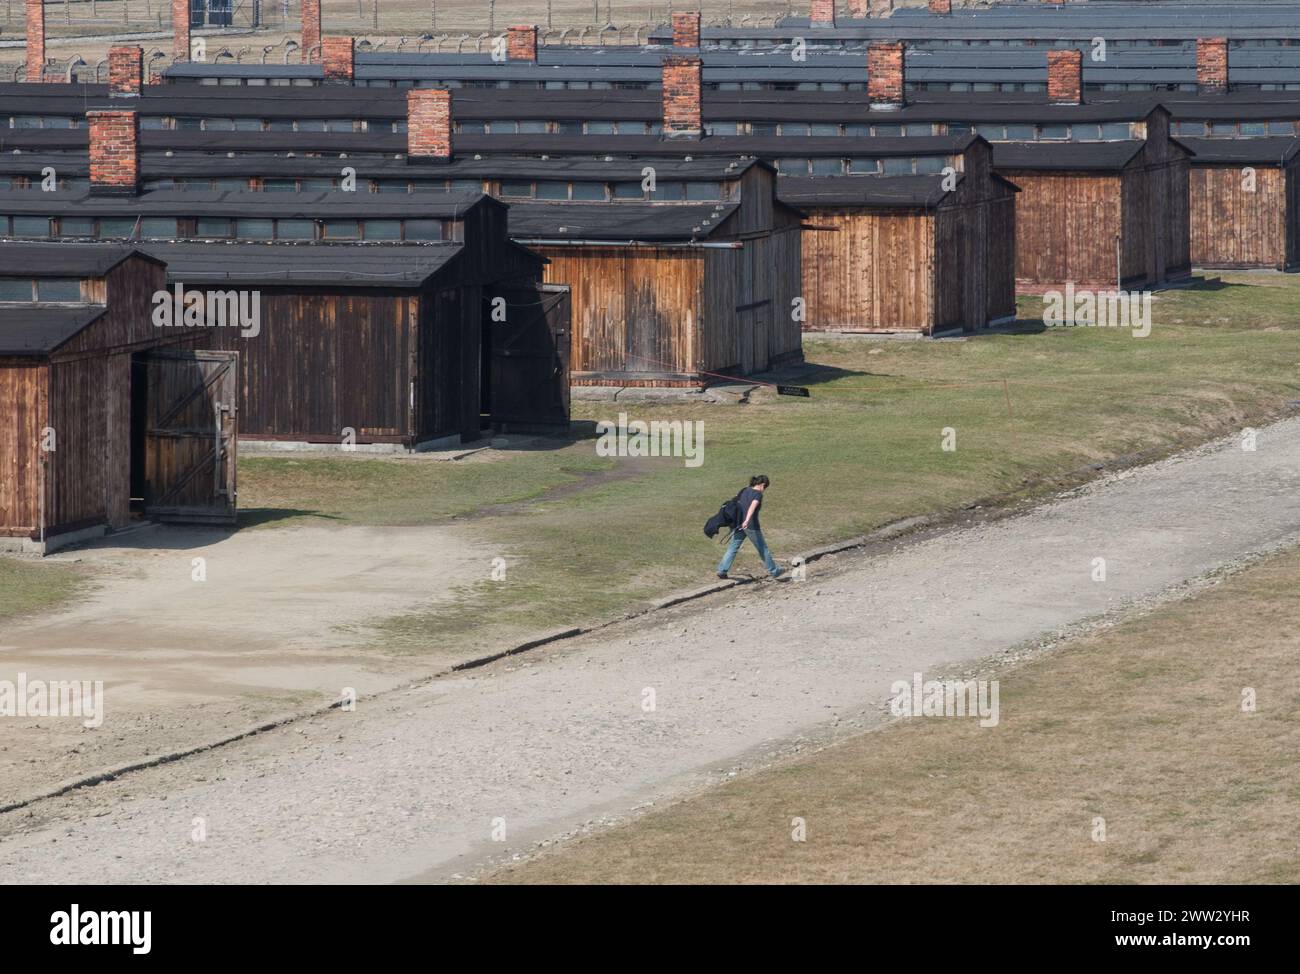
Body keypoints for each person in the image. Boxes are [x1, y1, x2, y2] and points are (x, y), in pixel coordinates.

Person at [717, 475, 784, 580]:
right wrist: (747, 520)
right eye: (765, 488)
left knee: (733, 548)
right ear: (762, 485)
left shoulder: (744, 489)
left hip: (739, 524)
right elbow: (752, 506)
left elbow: (735, 500)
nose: (764, 490)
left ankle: (722, 570)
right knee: (763, 549)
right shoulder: (758, 495)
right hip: (751, 525)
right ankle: (774, 571)